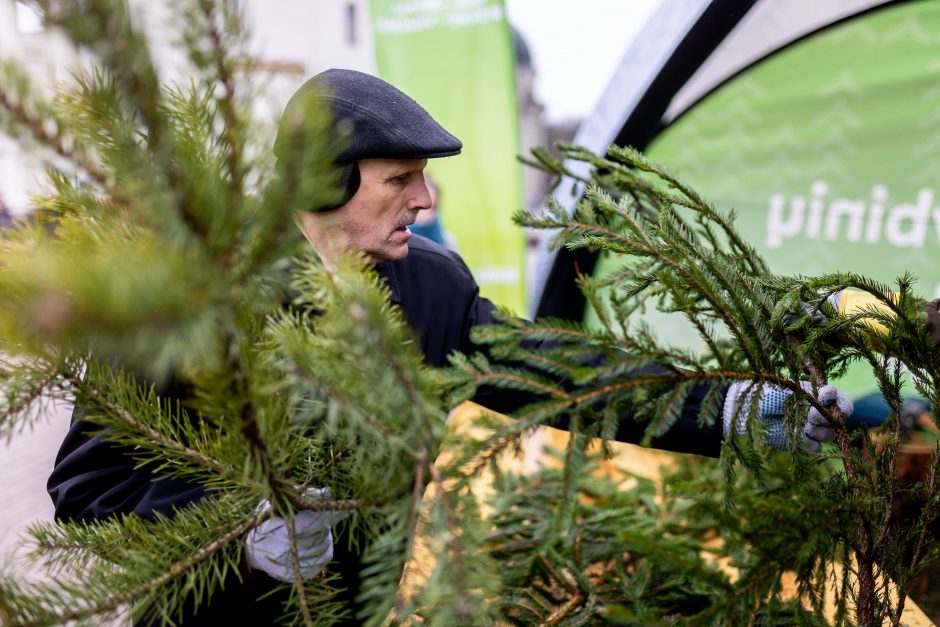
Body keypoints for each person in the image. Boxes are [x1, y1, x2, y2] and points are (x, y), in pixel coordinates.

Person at [47, 68, 849, 624]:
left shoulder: (430, 285)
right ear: (324, 182)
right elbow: (84, 490)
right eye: (400, 180)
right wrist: (245, 526)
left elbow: (561, 370)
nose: (424, 202)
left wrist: (736, 406)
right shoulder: (187, 302)